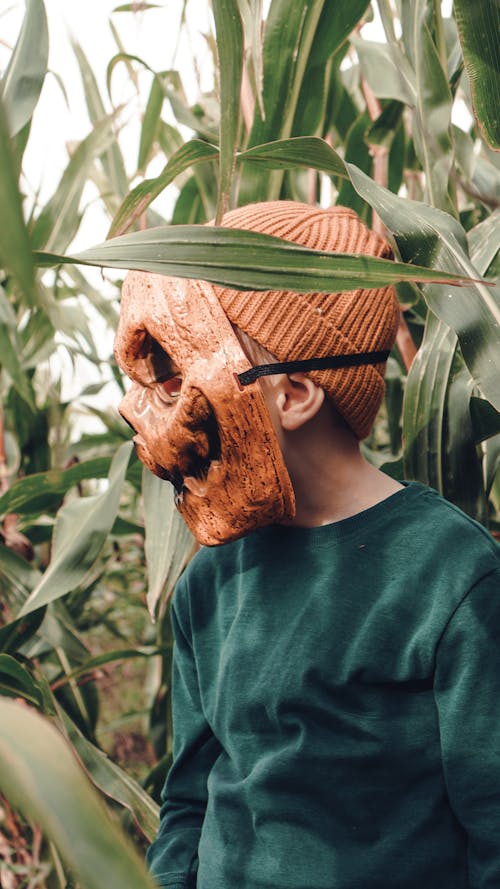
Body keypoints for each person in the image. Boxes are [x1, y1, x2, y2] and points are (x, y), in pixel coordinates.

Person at [114, 201, 500, 889]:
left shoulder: (449, 575)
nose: (159, 406)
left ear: (293, 392)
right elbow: (191, 798)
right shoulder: (210, 581)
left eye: (183, 367)